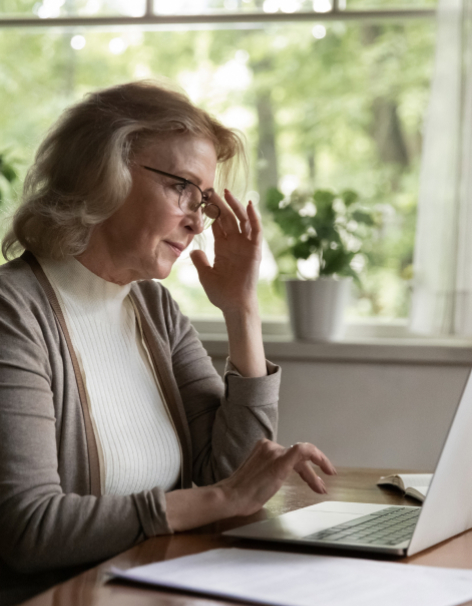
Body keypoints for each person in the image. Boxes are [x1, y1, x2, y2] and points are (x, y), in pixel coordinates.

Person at [0, 80, 335, 594]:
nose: (198, 221)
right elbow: (30, 529)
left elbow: (228, 469)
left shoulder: (153, 307)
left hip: (154, 589)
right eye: (182, 187)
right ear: (102, 173)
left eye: (203, 199)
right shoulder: (13, 311)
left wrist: (241, 309)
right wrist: (218, 501)